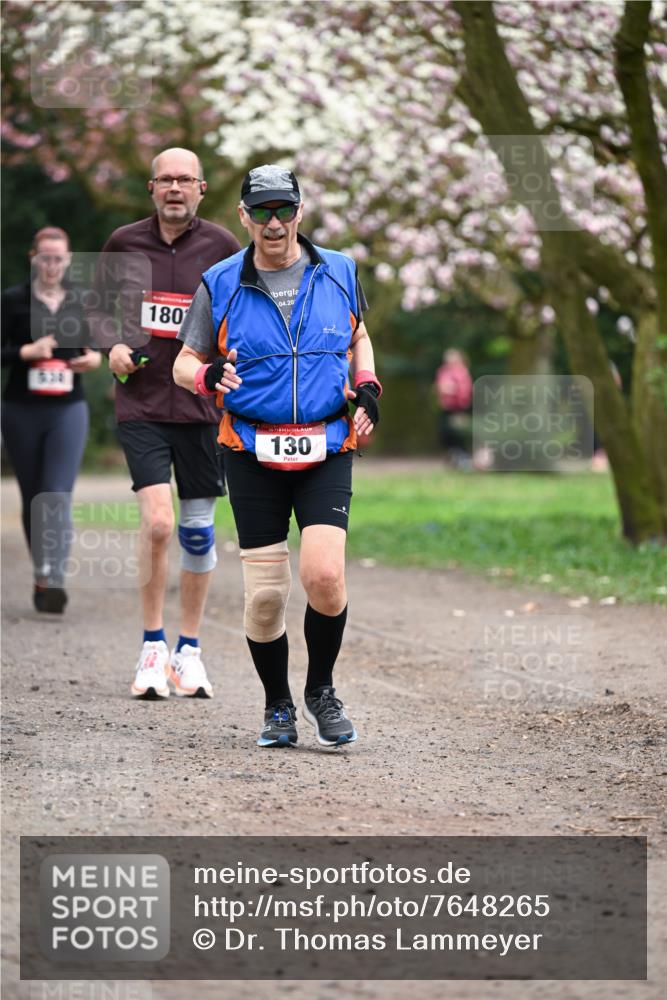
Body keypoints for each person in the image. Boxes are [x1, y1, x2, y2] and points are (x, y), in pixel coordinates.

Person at [174, 163, 381, 749]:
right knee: (266, 598)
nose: (273, 223)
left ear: (299, 211)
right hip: (250, 449)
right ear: (243, 216)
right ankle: (279, 706)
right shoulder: (218, 282)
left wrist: (366, 384)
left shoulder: (339, 270)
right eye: (260, 211)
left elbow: (358, 332)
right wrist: (209, 374)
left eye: (283, 210)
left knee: (324, 576)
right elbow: (183, 364)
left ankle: (320, 690)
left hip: (326, 443)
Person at [89, 147, 241, 700]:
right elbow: (96, 307)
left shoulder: (224, 246)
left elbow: (241, 315)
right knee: (157, 523)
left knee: (197, 532)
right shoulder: (124, 242)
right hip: (143, 404)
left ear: (201, 188)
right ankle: (152, 646)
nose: (175, 188)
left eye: (185, 179)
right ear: (151, 188)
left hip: (203, 409)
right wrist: (112, 346)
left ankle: (189, 651)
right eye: (165, 179)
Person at [1, 226, 101, 613]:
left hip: (67, 410)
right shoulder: (12, 301)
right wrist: (27, 351)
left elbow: (97, 349)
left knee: (56, 494)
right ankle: (41, 576)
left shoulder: (82, 300)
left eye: (59, 258)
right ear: (33, 258)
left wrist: (93, 359)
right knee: (32, 496)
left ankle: (54, 576)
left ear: (69, 260)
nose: (52, 265)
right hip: (21, 410)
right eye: (45, 257)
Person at [434, 348, 473, 468]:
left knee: (458, 433)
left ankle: (462, 457)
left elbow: (465, 390)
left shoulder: (462, 372)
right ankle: (453, 455)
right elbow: (439, 387)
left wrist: (452, 389)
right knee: (445, 433)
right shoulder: (443, 372)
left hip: (459, 408)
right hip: (447, 408)